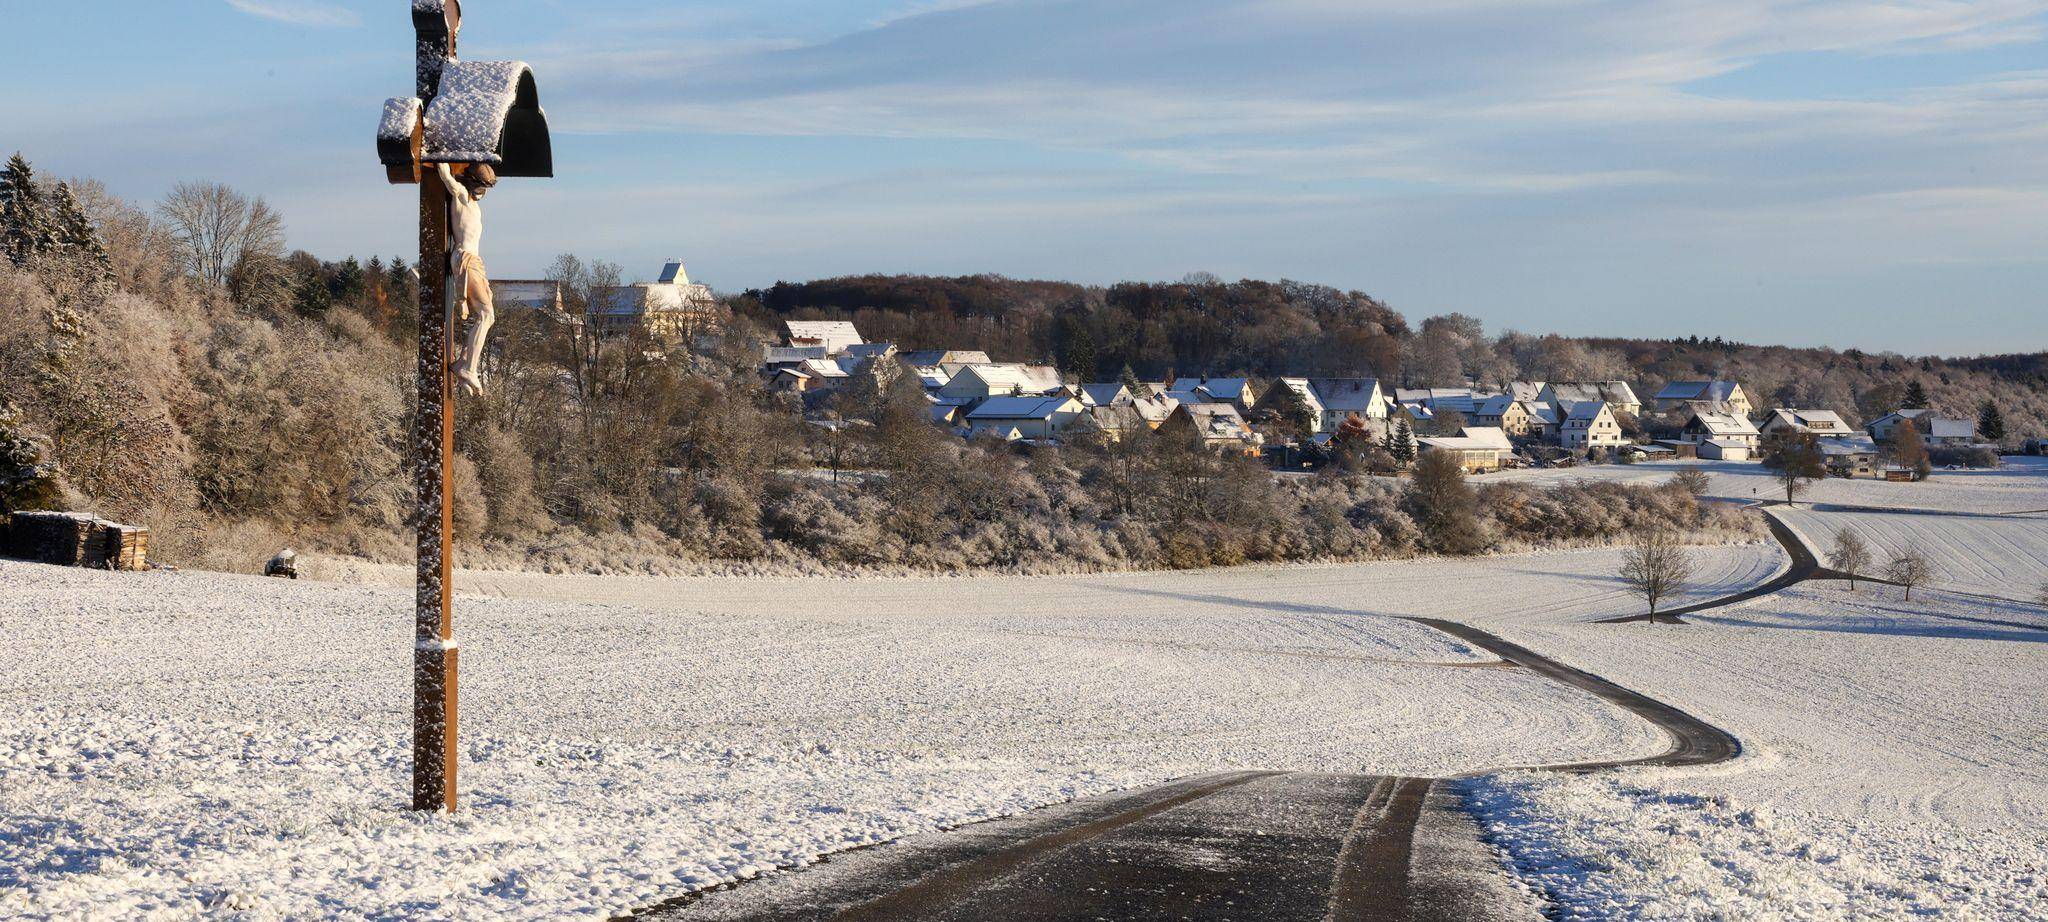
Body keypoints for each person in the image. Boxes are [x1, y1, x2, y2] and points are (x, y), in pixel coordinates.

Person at [437, 161, 498, 396]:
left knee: (488, 316)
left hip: (474, 260)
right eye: (482, 187)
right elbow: (445, 175)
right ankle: (469, 369)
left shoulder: (474, 205)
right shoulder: (461, 194)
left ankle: (464, 363)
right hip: (464, 258)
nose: (483, 193)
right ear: (473, 183)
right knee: (486, 314)